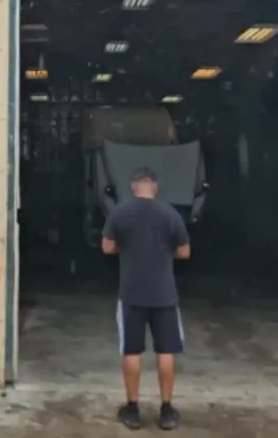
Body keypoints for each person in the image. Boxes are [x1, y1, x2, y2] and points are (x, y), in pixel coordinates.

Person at [102, 167, 191, 431]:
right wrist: (164, 253)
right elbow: (185, 252)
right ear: (155, 187)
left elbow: (107, 247)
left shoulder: (120, 212)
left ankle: (132, 408)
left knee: (131, 350)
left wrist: (126, 248)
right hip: (164, 295)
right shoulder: (170, 214)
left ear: (133, 186)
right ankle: (166, 410)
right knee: (166, 351)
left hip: (131, 294)